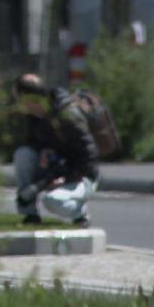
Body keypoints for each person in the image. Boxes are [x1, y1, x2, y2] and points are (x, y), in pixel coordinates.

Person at [12, 73, 99, 227]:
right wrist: (44, 151)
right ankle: (30, 215)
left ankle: (80, 213)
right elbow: (33, 142)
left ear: (28, 98)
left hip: (81, 176)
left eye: (18, 98)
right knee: (23, 154)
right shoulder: (35, 116)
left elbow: (90, 157)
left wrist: (66, 179)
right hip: (57, 169)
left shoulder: (67, 114)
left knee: (52, 201)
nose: (17, 103)